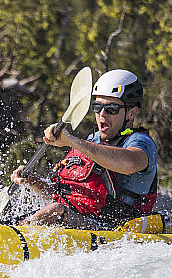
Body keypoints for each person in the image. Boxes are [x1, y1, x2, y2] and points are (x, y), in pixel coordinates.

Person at [10, 69, 158, 229]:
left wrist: (72, 141)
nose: (102, 114)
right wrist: (33, 181)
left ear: (131, 113)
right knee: (53, 209)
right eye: (97, 106)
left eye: (111, 109)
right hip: (79, 221)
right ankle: (7, 228)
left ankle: (13, 235)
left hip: (115, 228)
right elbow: (62, 196)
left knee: (56, 210)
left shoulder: (141, 142)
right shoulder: (91, 141)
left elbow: (130, 164)